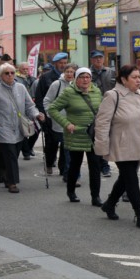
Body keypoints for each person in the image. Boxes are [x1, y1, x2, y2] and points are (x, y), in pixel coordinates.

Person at [94, 65, 140, 229]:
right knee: (131, 177)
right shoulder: (112, 95)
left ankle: (110, 203)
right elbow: (102, 123)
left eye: (139, 77)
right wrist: (101, 148)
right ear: (123, 79)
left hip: (139, 143)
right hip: (120, 144)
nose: (139, 80)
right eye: (134, 77)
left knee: (125, 178)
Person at [0, 63, 45, 193]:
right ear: (0, 76)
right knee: (10, 153)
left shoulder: (21, 87)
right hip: (2, 126)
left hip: (19, 126)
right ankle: (12, 182)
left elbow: (29, 106)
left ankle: (1, 171)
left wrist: (36, 114)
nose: (10, 75)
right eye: (6, 73)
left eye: (12, 73)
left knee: (12, 152)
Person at [48, 67, 103, 205]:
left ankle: (95, 196)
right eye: (82, 77)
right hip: (76, 134)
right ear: (76, 79)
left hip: (93, 134)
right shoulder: (68, 92)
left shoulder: (96, 91)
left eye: (88, 77)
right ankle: (71, 191)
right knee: (75, 165)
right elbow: (52, 109)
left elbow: (102, 110)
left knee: (95, 166)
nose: (85, 80)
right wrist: (66, 123)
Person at [37, 52, 70, 177]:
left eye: (65, 63)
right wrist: (43, 114)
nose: (63, 65)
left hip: (65, 117)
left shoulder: (70, 77)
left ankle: (63, 168)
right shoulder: (46, 77)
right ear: (55, 64)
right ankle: (49, 163)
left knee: (65, 144)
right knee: (51, 143)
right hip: (50, 116)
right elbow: (41, 98)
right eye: (61, 63)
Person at [43, 63, 77, 178]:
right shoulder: (56, 84)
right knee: (53, 145)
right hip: (57, 121)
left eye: (71, 72)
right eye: (67, 71)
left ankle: (65, 171)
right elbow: (47, 100)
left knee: (66, 147)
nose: (69, 74)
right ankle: (49, 162)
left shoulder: (78, 85)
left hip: (72, 122)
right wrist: (50, 114)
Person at [90, 50, 116, 178]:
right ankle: (100, 165)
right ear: (92, 60)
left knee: (106, 137)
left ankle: (105, 166)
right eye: (95, 58)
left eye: (100, 58)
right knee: (98, 137)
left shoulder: (111, 72)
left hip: (109, 109)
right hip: (93, 109)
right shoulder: (87, 74)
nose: (98, 60)